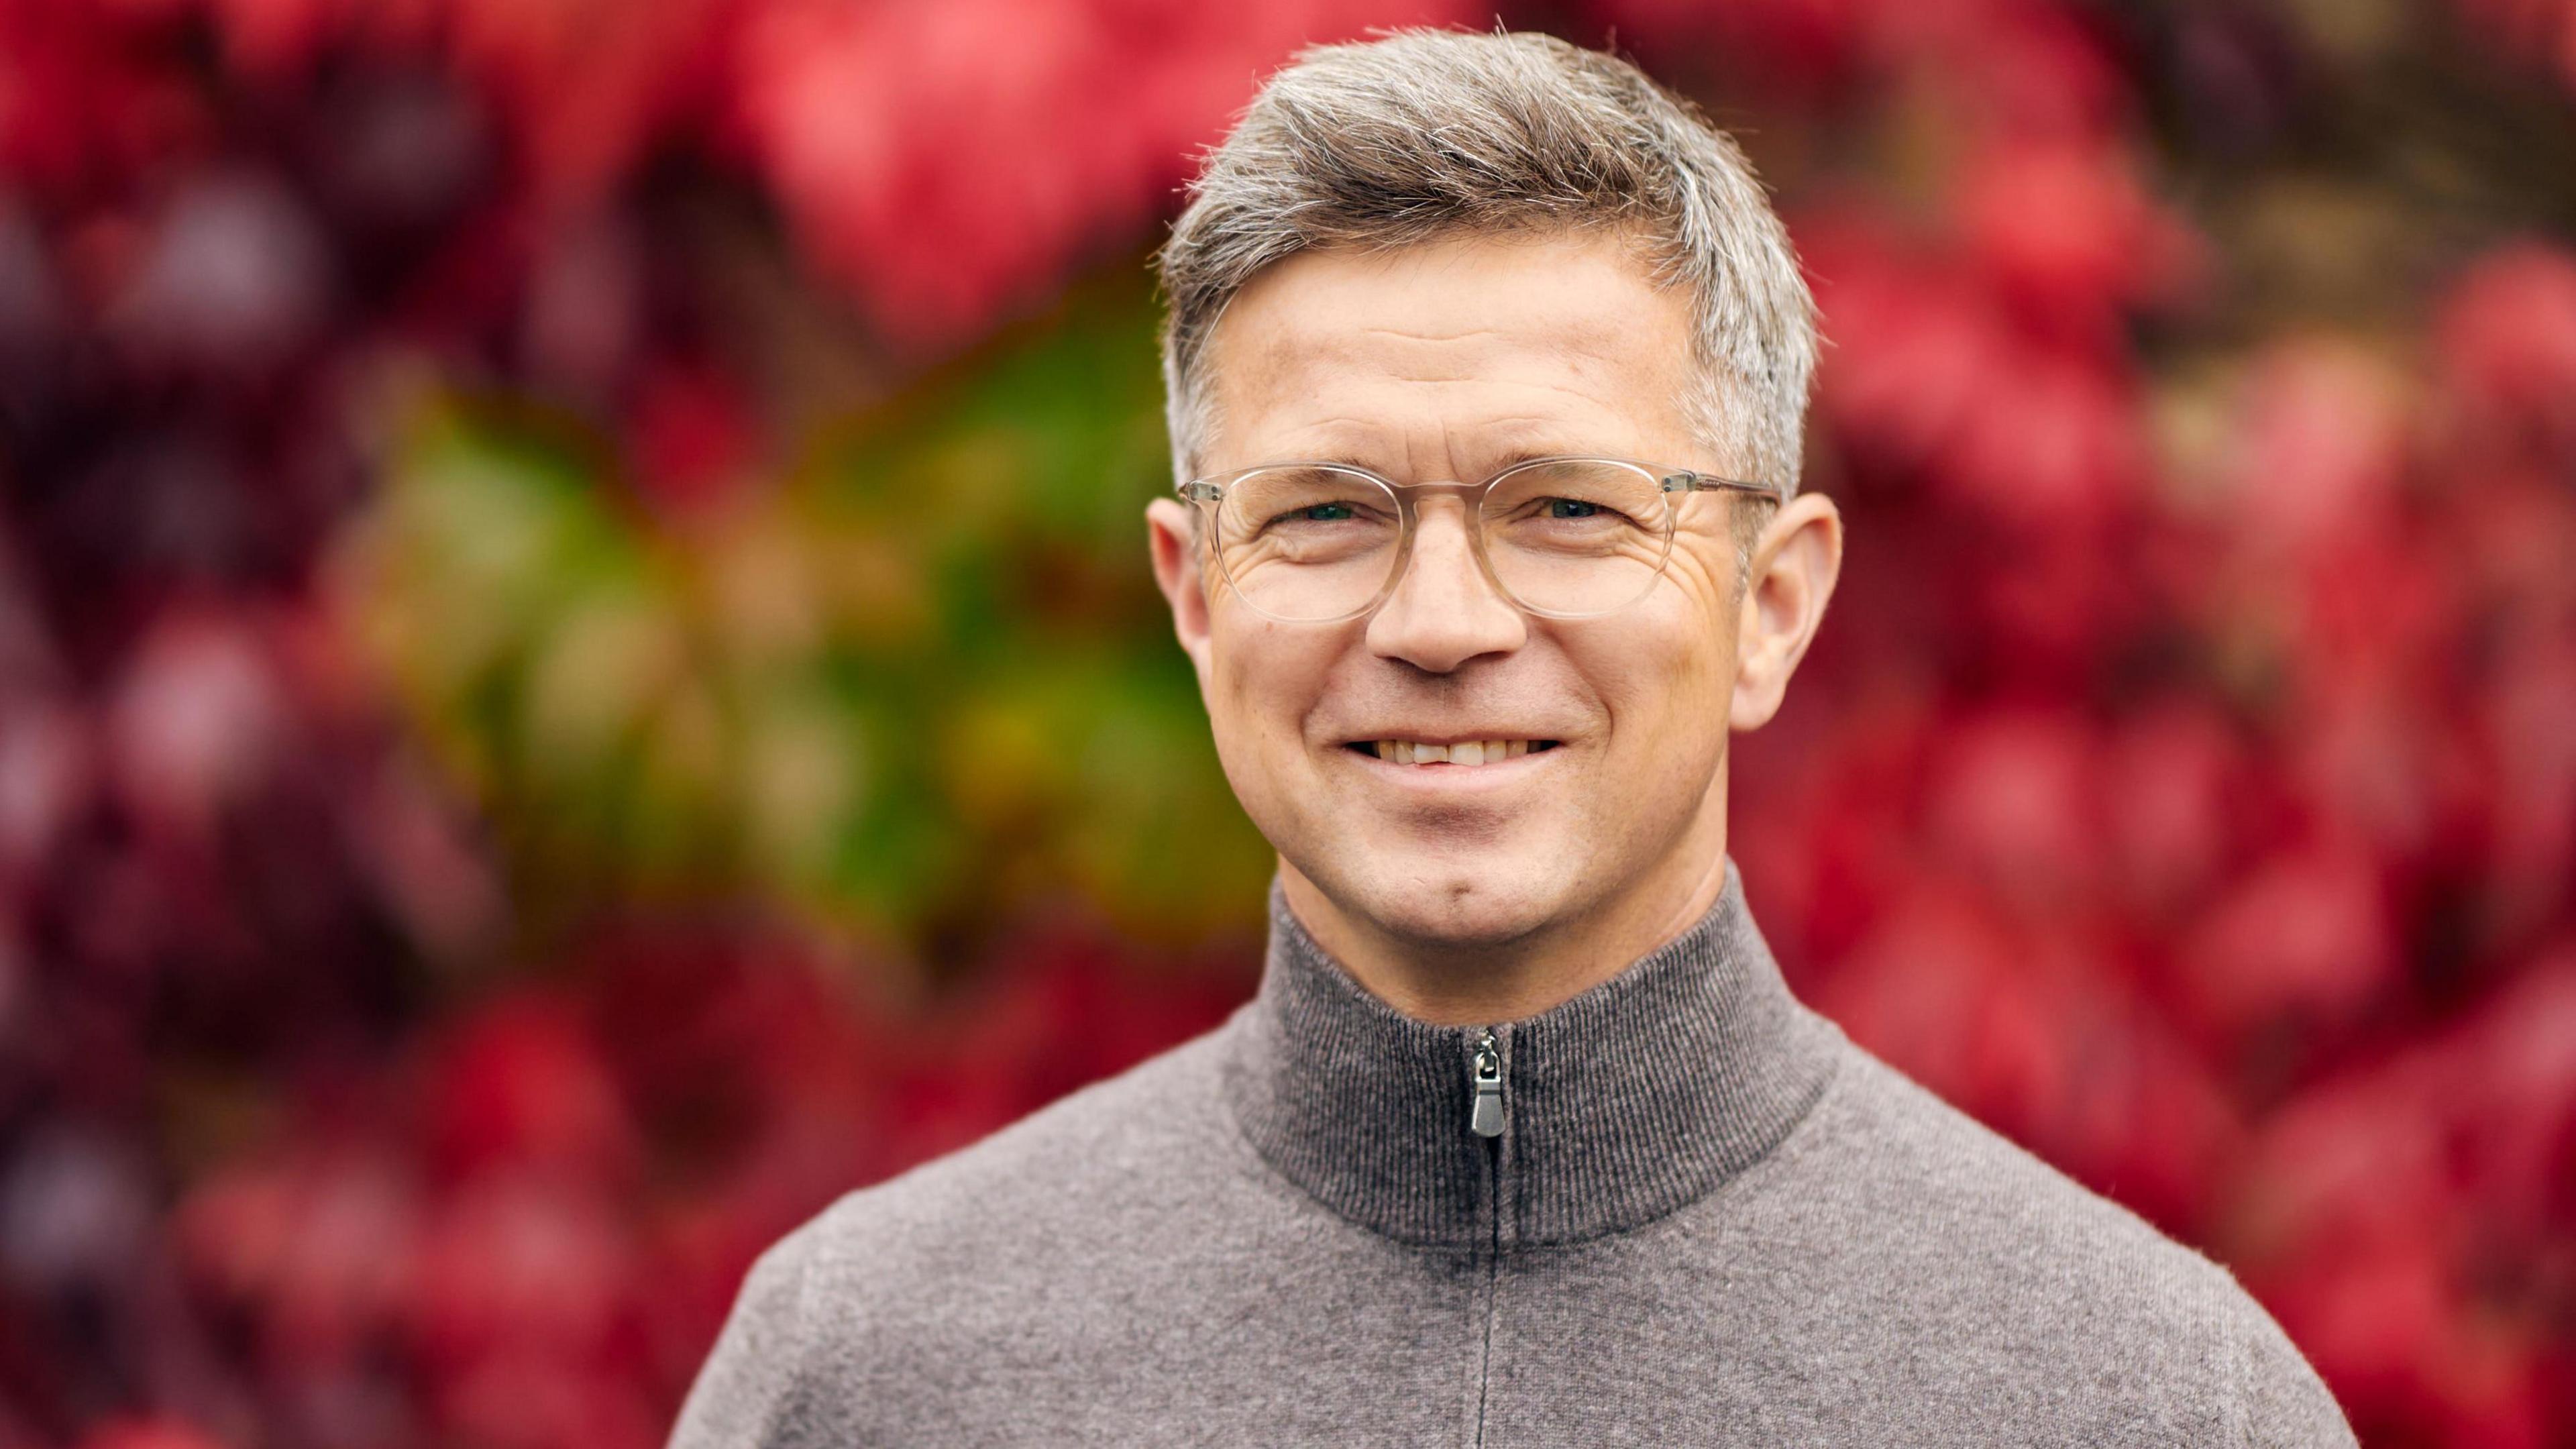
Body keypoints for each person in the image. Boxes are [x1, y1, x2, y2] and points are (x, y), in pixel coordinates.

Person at [668, 28, 2355, 1447]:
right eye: (1326, 511)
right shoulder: (871, 1373)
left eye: (1564, 505)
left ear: (1771, 600)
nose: (1441, 620)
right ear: (1195, 595)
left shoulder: (2140, 1401)